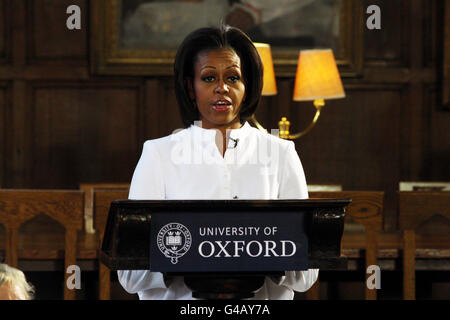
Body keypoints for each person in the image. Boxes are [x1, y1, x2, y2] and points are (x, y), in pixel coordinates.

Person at [118, 25, 318, 300]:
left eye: (233, 78)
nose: (222, 88)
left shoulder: (282, 154)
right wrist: (195, 252)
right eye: (209, 78)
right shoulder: (158, 154)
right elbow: (129, 276)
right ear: (191, 88)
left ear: (246, 87)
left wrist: (256, 254)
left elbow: (306, 275)